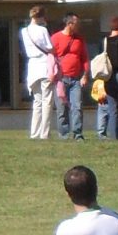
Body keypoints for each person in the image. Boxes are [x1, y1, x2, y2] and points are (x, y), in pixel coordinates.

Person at [49, 11, 88, 141]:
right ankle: (63, 134)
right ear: (69, 23)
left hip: (76, 78)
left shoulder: (79, 39)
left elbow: (84, 58)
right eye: (77, 23)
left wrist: (85, 74)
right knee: (61, 109)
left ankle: (78, 134)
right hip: (61, 79)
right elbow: (50, 57)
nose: (78, 26)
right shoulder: (55, 38)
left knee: (77, 107)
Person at [20, 5, 56, 141]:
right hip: (44, 65)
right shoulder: (42, 30)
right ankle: (44, 133)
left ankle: (34, 133)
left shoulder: (24, 31)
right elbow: (50, 47)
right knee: (47, 101)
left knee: (37, 101)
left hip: (32, 66)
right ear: (41, 17)